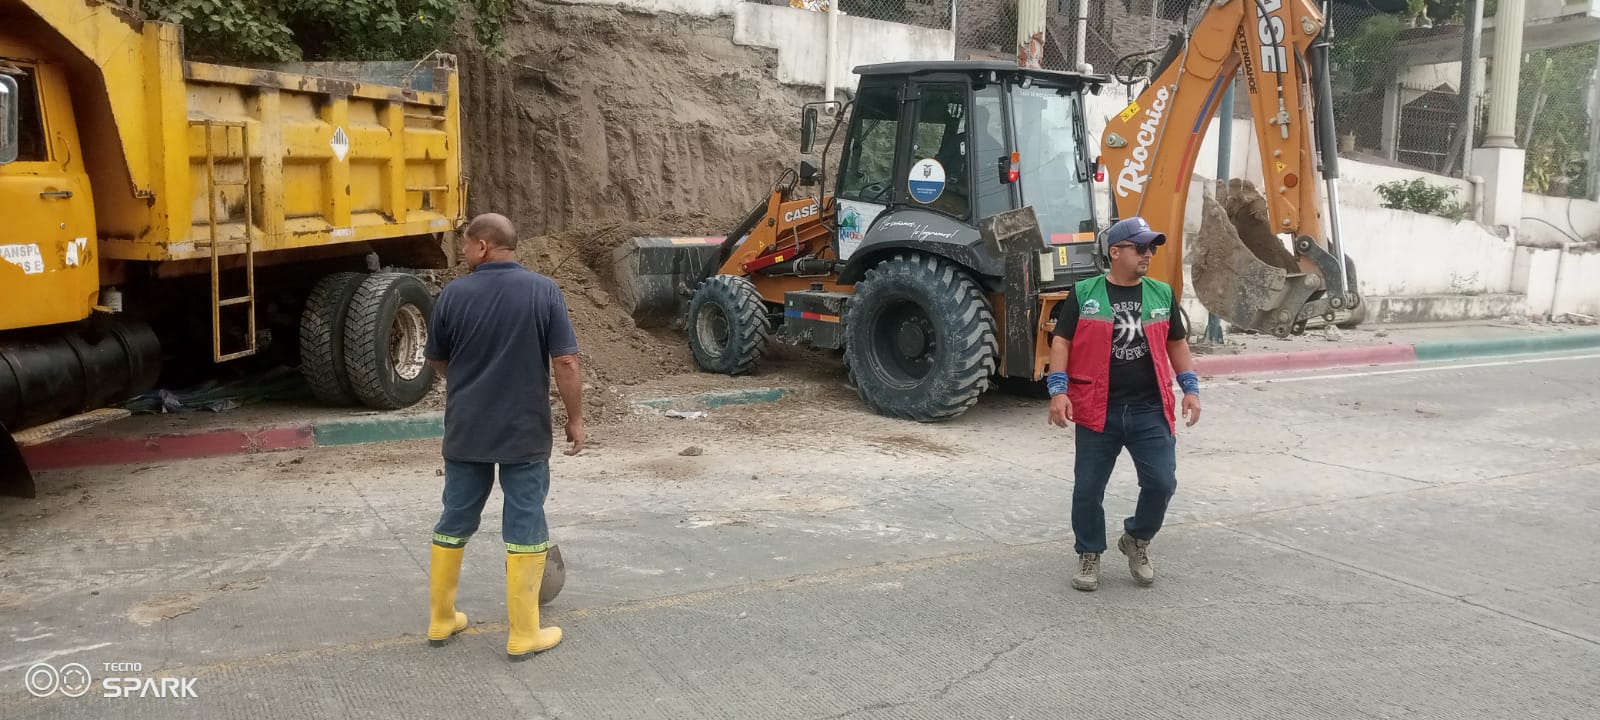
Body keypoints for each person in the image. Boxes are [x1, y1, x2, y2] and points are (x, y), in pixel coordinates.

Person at [422, 212, 586, 661]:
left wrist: (467, 381)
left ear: (483, 246)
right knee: (525, 520)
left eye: (464, 243)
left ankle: (441, 619)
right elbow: (566, 362)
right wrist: (575, 418)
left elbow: (437, 358)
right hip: (523, 431)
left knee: (455, 517)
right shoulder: (543, 291)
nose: (462, 251)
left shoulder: (453, 295)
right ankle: (524, 633)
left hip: (466, 427)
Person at [1045, 216, 1201, 592]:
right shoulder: (1084, 293)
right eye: (1140, 247)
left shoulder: (1161, 293)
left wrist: (1190, 388)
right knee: (1088, 489)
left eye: (1152, 248)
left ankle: (1136, 539)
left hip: (1150, 409)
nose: (1148, 254)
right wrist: (1058, 389)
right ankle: (1089, 552)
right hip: (1099, 409)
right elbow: (1062, 341)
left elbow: (1176, 342)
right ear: (1115, 252)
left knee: (1162, 483)